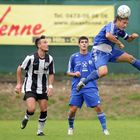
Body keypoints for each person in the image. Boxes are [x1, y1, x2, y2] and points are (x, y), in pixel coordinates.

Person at [76, 15, 139, 91]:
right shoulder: (111, 25)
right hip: (99, 51)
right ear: (118, 20)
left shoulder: (120, 30)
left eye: (126, 23)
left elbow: (128, 39)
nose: (125, 25)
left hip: (110, 51)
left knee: (130, 58)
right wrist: (119, 43)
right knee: (103, 72)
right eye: (124, 23)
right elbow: (108, 35)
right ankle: (84, 81)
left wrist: (132, 36)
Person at [67, 36, 109, 136]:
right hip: (77, 86)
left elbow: (99, 70)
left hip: (90, 86)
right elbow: (68, 72)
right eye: (82, 42)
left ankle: (105, 129)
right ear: (79, 44)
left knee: (98, 107)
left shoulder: (93, 56)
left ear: (88, 44)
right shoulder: (74, 57)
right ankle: (70, 127)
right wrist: (75, 74)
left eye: (86, 42)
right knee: (73, 109)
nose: (84, 44)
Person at [15, 35, 55, 136]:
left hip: (43, 88)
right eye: (44, 42)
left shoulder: (49, 59)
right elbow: (19, 68)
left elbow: (51, 73)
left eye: (47, 42)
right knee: (32, 109)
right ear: (39, 45)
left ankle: (40, 131)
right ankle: (26, 117)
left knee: (44, 110)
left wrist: (50, 86)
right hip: (30, 87)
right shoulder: (31, 58)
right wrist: (19, 84)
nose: (47, 44)